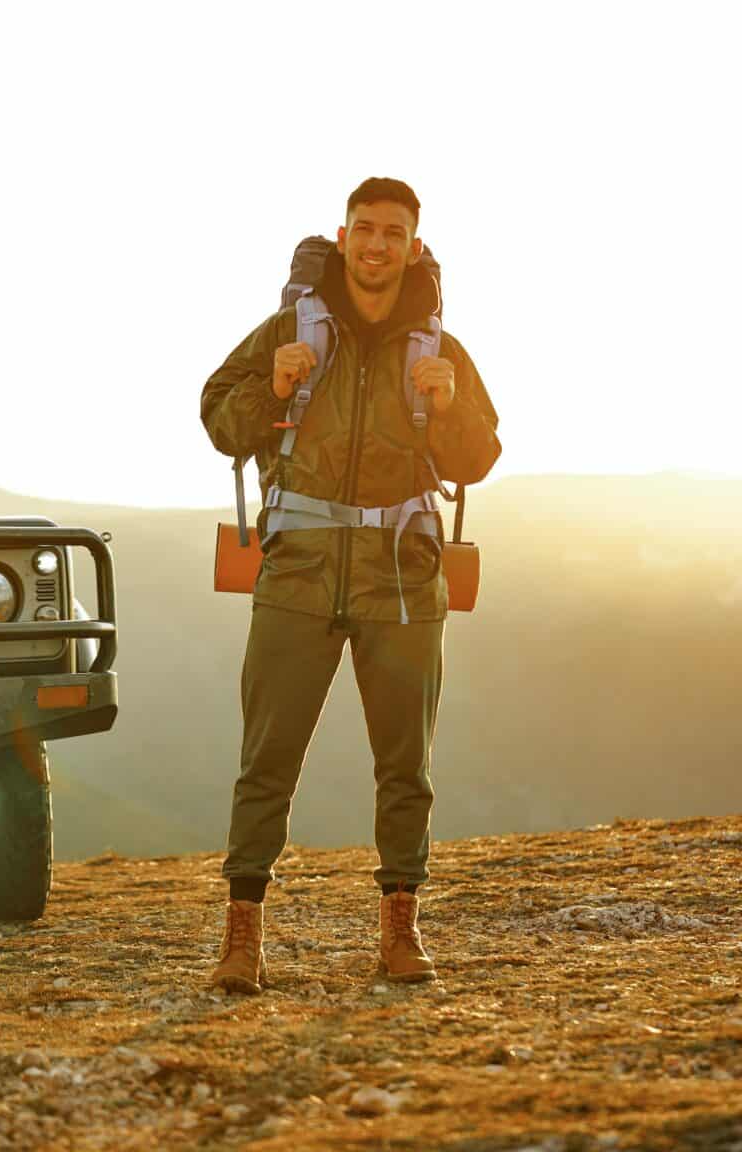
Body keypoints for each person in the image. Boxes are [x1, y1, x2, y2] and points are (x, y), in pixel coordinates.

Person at [200, 177, 500, 994]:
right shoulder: (290, 331)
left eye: (392, 232)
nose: (376, 245)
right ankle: (242, 942)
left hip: (400, 581)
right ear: (342, 235)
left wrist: (445, 410)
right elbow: (219, 421)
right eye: (364, 229)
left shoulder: (439, 350)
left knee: (406, 767)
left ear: (412, 244)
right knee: (267, 762)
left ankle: (401, 933)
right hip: (297, 573)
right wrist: (276, 386)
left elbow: (476, 460)